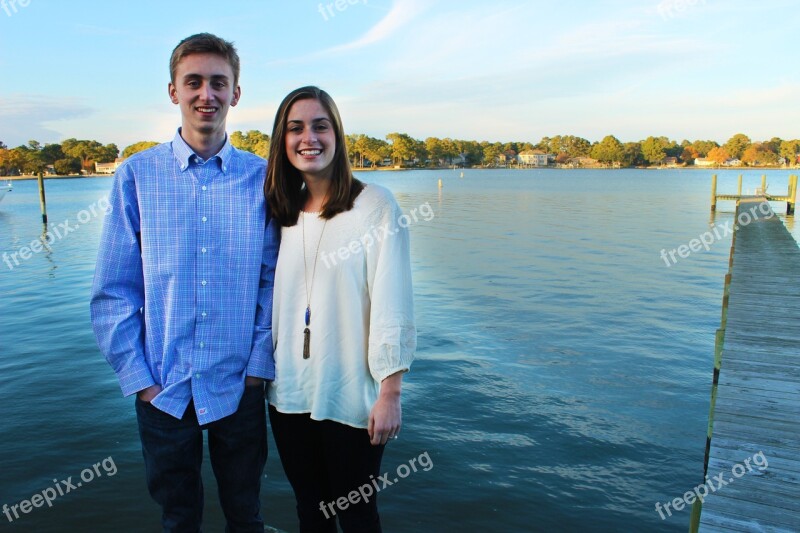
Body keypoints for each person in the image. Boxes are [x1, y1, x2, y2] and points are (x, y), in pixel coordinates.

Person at [90, 33, 278, 532]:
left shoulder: (262, 179)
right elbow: (115, 290)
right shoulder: (135, 176)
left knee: (247, 515)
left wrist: (258, 368)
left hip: (239, 387)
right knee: (178, 520)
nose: (206, 94)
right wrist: (140, 380)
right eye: (193, 82)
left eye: (219, 82)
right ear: (173, 91)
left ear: (236, 93)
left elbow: (273, 283)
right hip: (164, 389)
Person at [265, 86, 416, 533]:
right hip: (289, 393)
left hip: (351, 392)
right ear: (282, 140)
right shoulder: (281, 211)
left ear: (337, 135)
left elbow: (393, 300)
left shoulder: (375, 206)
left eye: (319, 125)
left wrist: (390, 393)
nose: (308, 137)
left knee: (356, 515)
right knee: (310, 512)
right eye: (295, 128)